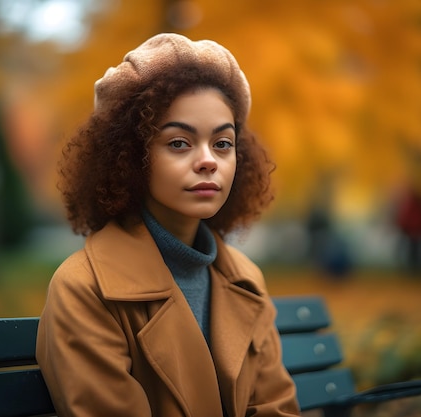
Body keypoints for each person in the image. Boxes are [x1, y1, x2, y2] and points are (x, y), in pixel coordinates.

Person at [36, 33, 300, 417]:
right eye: (179, 143)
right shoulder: (84, 290)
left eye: (223, 144)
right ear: (131, 157)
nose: (208, 160)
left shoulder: (247, 280)